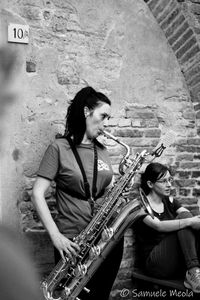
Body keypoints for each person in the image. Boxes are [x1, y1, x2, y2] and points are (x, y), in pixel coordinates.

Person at [32, 86, 124, 300]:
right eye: (103, 116)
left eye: (109, 118)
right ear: (86, 112)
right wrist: (56, 236)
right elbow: (37, 194)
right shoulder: (58, 148)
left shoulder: (102, 150)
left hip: (106, 240)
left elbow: (106, 188)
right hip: (74, 243)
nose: (106, 124)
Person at [135, 162, 200, 293]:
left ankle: (194, 272)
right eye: (164, 181)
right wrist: (189, 221)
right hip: (155, 263)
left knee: (186, 216)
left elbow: (191, 220)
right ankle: (194, 271)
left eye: (170, 180)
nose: (169, 184)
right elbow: (159, 226)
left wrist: (194, 221)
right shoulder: (140, 206)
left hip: (175, 261)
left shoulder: (170, 201)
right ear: (150, 184)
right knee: (185, 219)